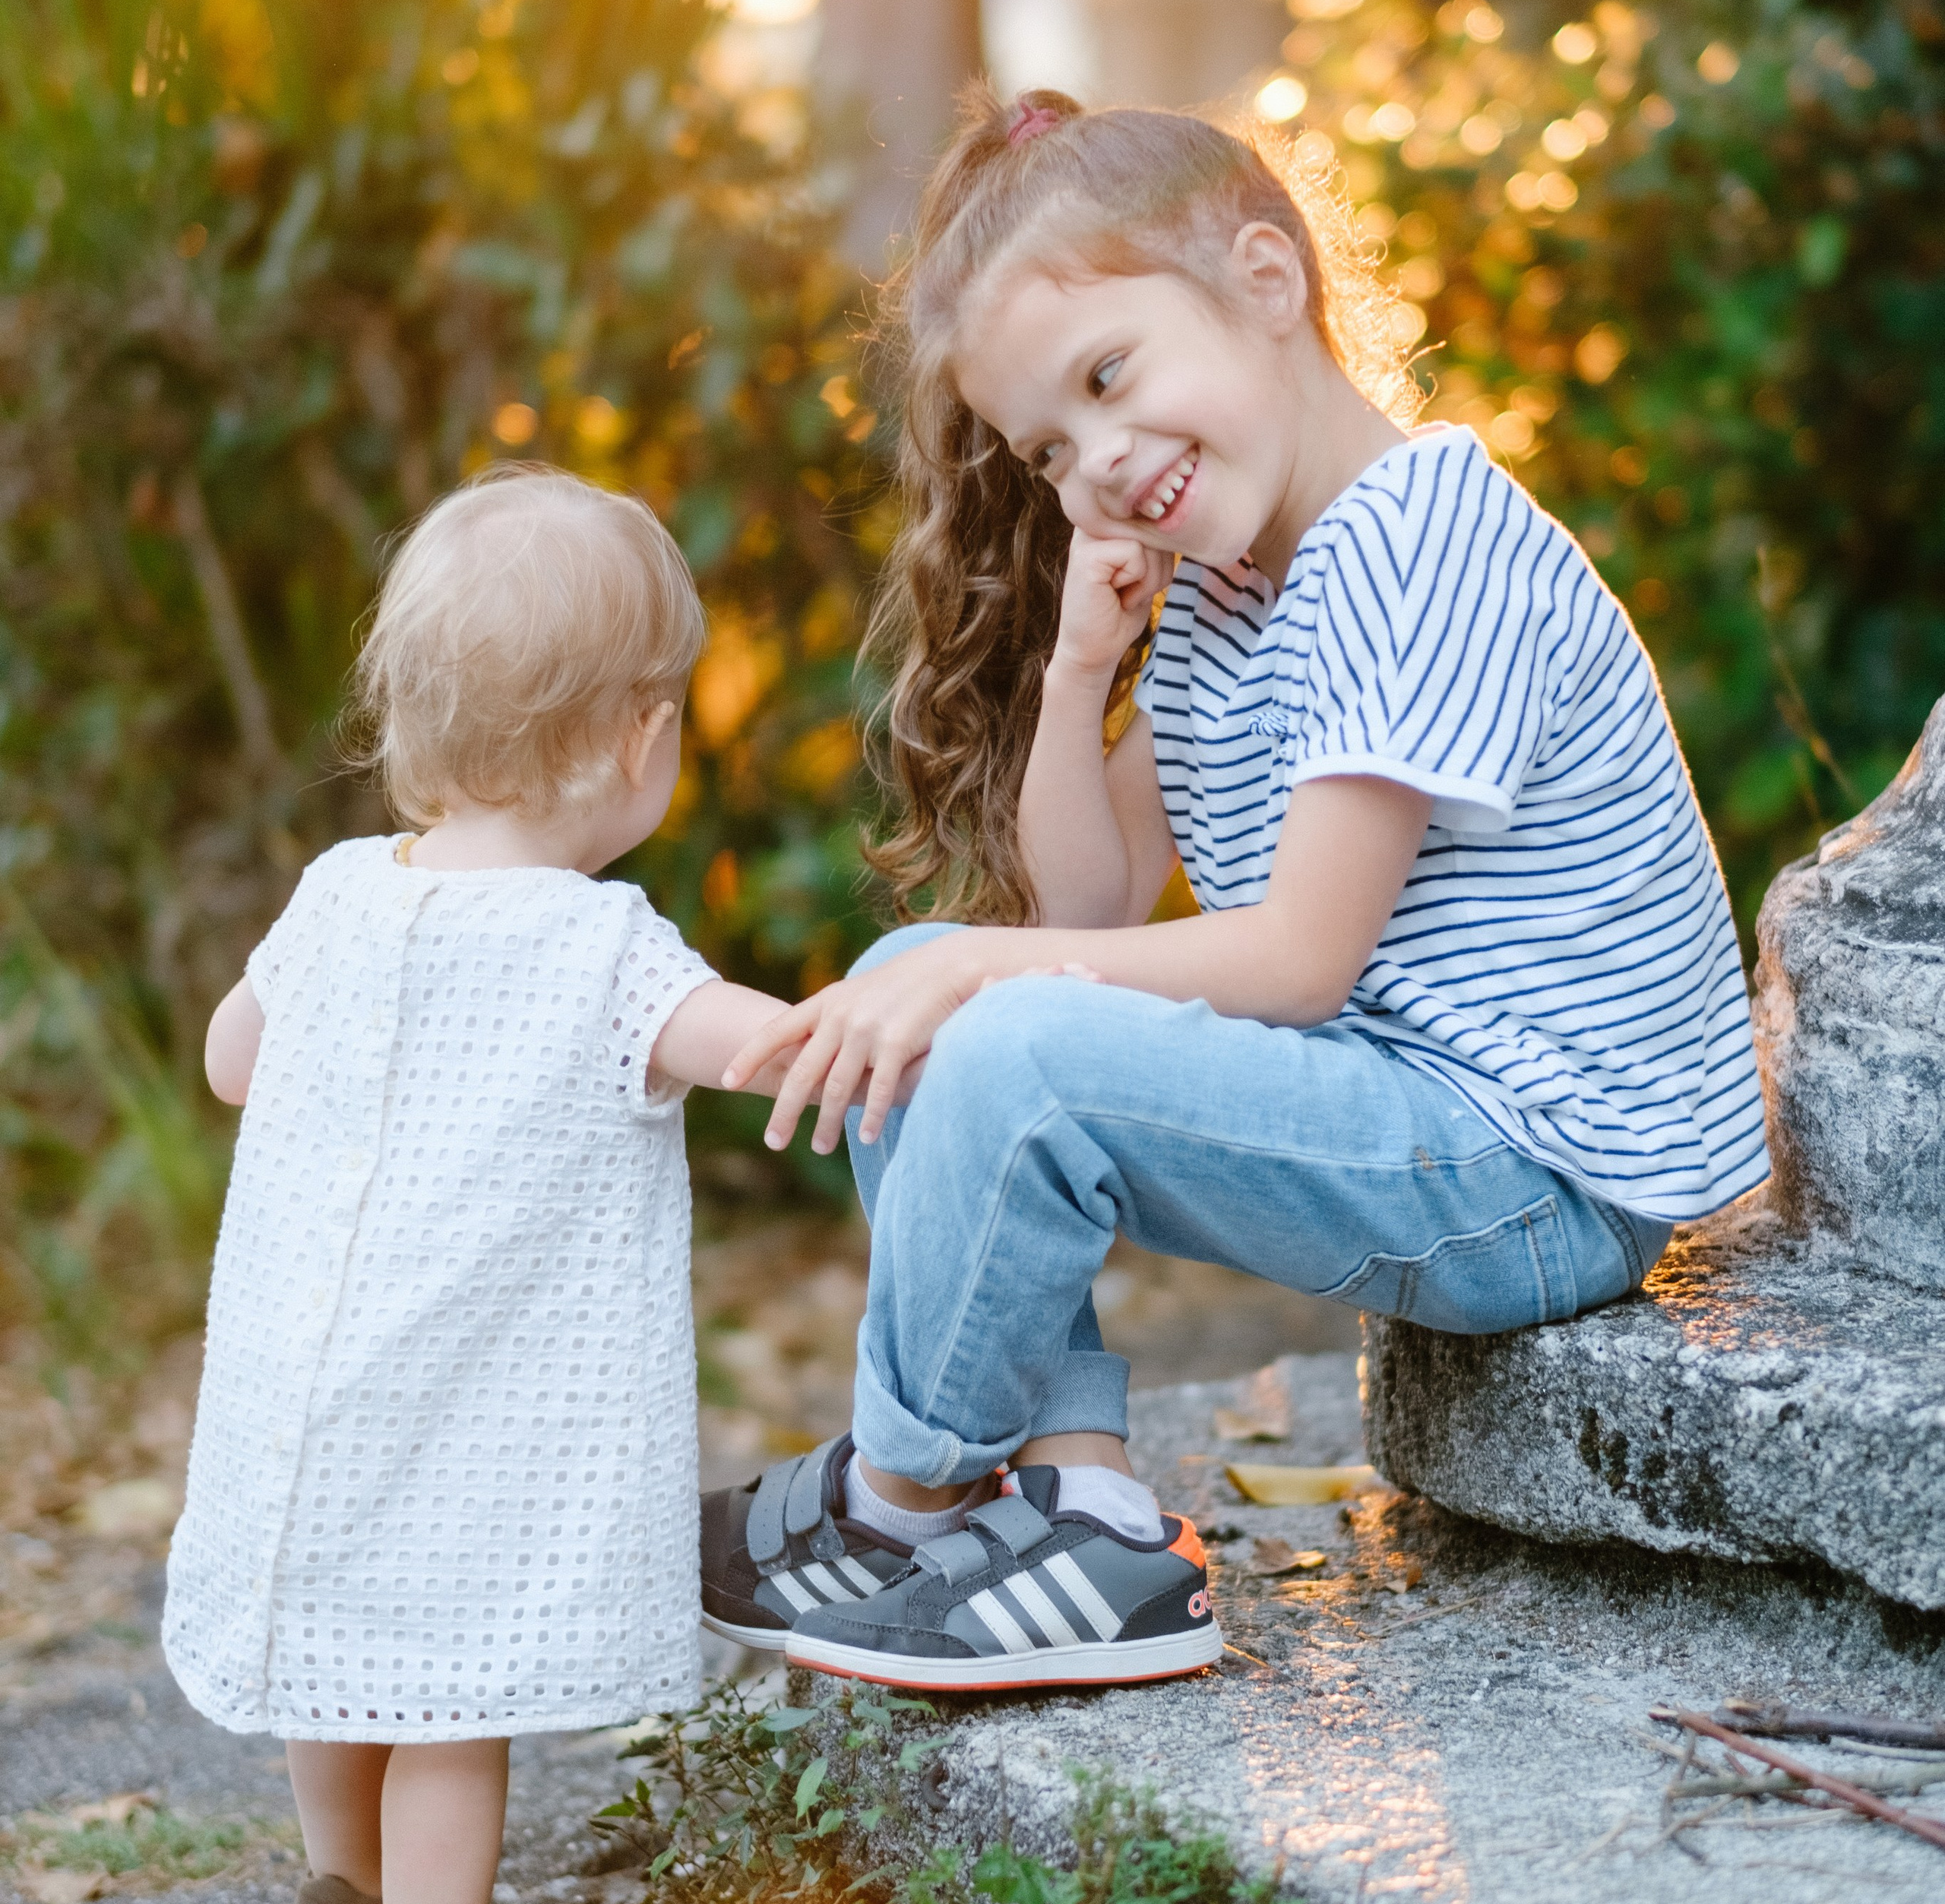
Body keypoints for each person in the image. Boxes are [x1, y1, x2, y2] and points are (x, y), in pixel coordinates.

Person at [698, 86, 1769, 1694]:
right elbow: (1092, 909)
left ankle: (901, 1505)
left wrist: (983, 982)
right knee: (924, 980)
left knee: (990, 1018)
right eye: (1049, 448)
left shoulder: (1422, 540)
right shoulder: (1226, 590)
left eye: (1108, 378)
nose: (1097, 465)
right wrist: (1081, 671)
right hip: (1421, 1111)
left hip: (1544, 1172)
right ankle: (1081, 1510)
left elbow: (1300, 958)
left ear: (1267, 282)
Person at [164, 469, 792, 1904]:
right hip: (464, 1427)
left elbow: (231, 1062)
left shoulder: (338, 893)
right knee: (451, 1691)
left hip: (313, 1398)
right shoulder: (602, 945)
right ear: (638, 737)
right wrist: (854, 1036)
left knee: (337, 1659)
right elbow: (743, 1046)